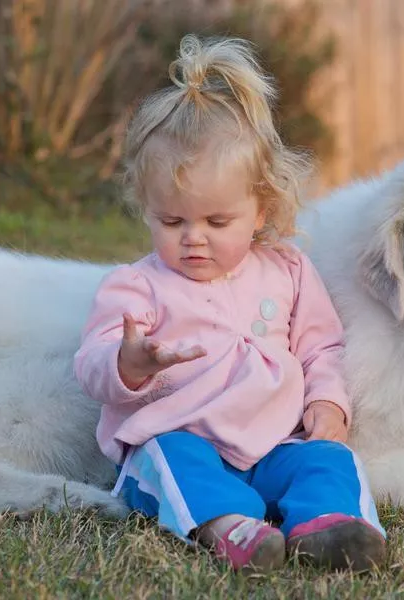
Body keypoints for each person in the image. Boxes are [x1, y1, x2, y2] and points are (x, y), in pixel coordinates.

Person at [73, 34, 386, 573]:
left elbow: (321, 346)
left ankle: (331, 526)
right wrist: (130, 363)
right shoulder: (136, 287)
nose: (193, 237)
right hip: (185, 443)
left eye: (217, 222)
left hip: (274, 444)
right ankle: (228, 528)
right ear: (147, 210)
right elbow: (91, 367)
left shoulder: (287, 270)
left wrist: (329, 402)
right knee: (171, 459)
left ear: (260, 210)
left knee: (329, 459)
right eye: (172, 222)